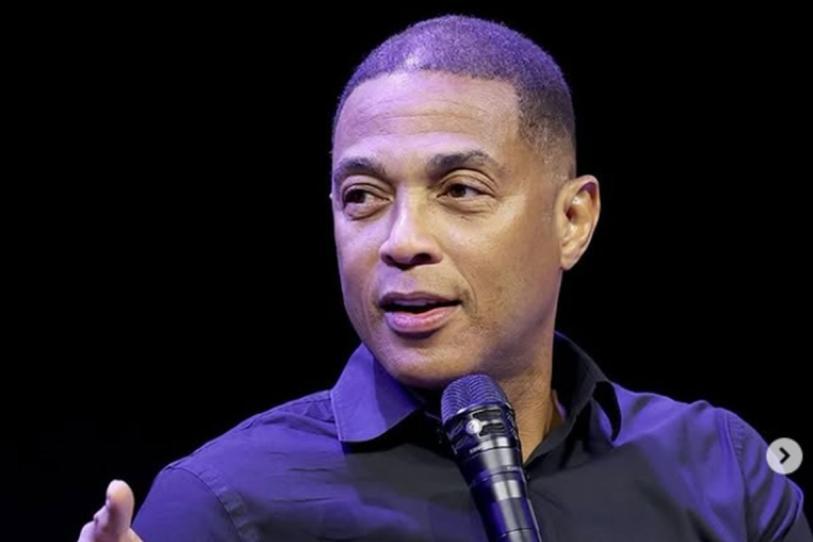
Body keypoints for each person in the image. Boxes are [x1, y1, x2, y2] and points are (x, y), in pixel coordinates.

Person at [77, 15, 811, 541]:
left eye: (460, 190)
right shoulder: (226, 504)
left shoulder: (722, 472)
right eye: (363, 198)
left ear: (572, 220)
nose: (402, 242)